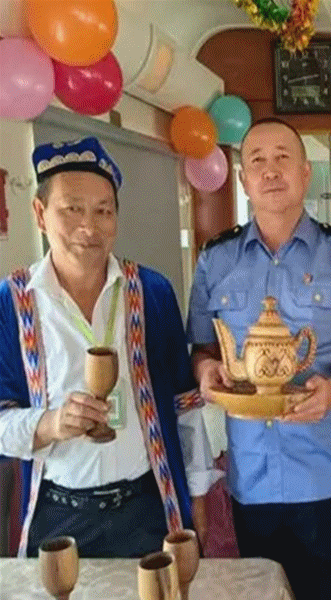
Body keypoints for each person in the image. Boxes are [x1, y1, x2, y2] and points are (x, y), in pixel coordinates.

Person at [187, 118, 331, 600]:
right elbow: (202, 347)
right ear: (243, 180)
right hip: (252, 475)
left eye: (283, 158)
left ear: (305, 173)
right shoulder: (216, 260)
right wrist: (206, 371)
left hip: (327, 472)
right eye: (257, 160)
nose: (270, 170)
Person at [0, 137, 219, 558]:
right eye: (72, 209)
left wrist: (198, 497)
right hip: (57, 513)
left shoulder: (151, 292)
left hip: (147, 507)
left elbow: (185, 405)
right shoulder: (12, 304)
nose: (89, 226)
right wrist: (50, 424)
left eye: (103, 211)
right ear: (40, 214)